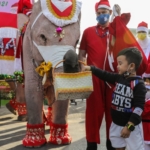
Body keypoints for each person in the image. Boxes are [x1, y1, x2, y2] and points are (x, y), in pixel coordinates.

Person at [84, 47, 146, 150]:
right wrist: (91, 68)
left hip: (131, 127)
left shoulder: (138, 84)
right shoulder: (119, 78)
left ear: (131, 66)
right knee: (118, 147)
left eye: (120, 63)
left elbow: (139, 108)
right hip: (116, 124)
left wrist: (129, 126)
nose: (117, 66)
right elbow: (105, 75)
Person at [78, 0, 121, 149]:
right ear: (96, 14)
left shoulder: (116, 31)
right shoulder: (88, 31)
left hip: (113, 78)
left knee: (113, 111)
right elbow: (81, 54)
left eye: (105, 12)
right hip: (93, 78)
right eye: (99, 13)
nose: (102, 15)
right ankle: (91, 145)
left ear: (110, 13)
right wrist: (80, 71)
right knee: (93, 113)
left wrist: (119, 20)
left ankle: (112, 143)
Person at [136, 21, 150, 150]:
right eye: (139, 32)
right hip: (137, 83)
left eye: (143, 32)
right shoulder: (135, 45)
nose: (141, 35)